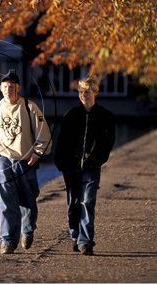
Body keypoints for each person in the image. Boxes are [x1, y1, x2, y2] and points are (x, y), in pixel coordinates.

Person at [0, 71, 52, 255]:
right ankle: (8, 240)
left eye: (11, 87)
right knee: (5, 202)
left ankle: (27, 230)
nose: (8, 90)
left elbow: (44, 135)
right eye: (5, 87)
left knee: (28, 201)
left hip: (25, 160)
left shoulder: (30, 107)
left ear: (18, 88)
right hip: (3, 159)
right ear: (1, 88)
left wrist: (37, 153)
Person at [54, 77, 115, 256]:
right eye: (80, 92)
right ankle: (75, 234)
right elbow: (62, 140)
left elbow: (108, 143)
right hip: (71, 167)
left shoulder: (105, 117)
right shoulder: (71, 115)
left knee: (87, 202)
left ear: (95, 92)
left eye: (86, 92)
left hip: (91, 167)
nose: (83, 95)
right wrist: (61, 162)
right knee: (73, 203)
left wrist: (97, 160)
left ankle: (86, 241)